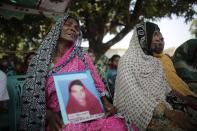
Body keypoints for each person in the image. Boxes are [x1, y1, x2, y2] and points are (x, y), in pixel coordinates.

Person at [20, 14, 127, 131]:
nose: (73, 29)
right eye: (68, 25)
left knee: (118, 124)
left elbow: (96, 82)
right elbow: (31, 97)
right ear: (57, 28)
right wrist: (48, 114)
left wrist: (106, 103)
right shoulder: (40, 61)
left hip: (86, 112)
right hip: (57, 117)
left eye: (76, 27)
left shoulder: (81, 56)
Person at [113, 21, 197, 131]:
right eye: (154, 34)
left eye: (159, 34)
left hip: (163, 108)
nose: (159, 38)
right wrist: (170, 113)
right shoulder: (127, 61)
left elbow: (167, 90)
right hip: (140, 113)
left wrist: (189, 100)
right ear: (142, 37)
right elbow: (135, 97)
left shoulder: (156, 63)